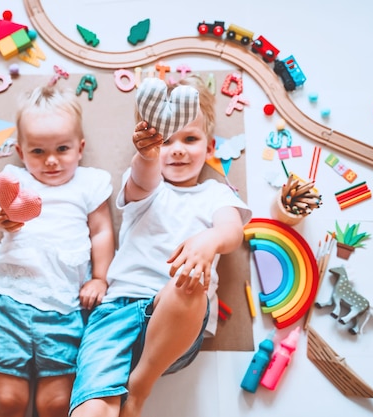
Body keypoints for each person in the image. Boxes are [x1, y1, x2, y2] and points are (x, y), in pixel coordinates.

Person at [70, 75, 252, 417]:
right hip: (115, 313)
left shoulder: (215, 193)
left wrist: (209, 240)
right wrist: (147, 154)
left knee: (188, 281)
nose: (178, 148)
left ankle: (139, 389)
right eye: (166, 141)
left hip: (176, 328)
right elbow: (143, 176)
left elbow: (232, 233)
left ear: (209, 147)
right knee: (90, 411)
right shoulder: (147, 184)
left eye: (191, 138)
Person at [0, 84, 115, 417]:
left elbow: (102, 231)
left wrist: (100, 278)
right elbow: (3, 210)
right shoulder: (15, 179)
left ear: (80, 148)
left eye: (62, 149)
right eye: (38, 152)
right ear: (21, 152)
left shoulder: (90, 183)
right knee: (9, 400)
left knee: (55, 404)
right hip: (10, 298)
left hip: (63, 306)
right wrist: (5, 218)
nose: (51, 161)